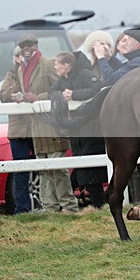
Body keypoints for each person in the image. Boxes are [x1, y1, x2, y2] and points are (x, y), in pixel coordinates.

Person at [94, 27, 140, 203]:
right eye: (120, 40)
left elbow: (114, 79)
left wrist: (102, 59)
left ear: (138, 43)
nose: (120, 43)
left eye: (126, 40)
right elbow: (123, 71)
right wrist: (110, 58)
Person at [11, 33, 78, 212]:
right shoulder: (20, 70)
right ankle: (50, 208)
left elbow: (61, 89)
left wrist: (38, 97)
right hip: (37, 127)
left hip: (53, 125)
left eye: (30, 45)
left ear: (36, 45)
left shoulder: (48, 64)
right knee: (44, 169)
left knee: (59, 169)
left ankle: (69, 207)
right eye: (23, 46)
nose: (26, 49)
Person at [50, 51, 107, 207]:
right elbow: (52, 91)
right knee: (82, 168)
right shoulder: (63, 80)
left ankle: (100, 205)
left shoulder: (85, 74)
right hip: (76, 130)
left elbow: (98, 89)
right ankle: (98, 206)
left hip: (92, 129)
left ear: (66, 66)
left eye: (57, 63)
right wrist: (60, 96)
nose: (54, 66)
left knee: (89, 170)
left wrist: (75, 94)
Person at [0, 45, 37, 214]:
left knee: (44, 168)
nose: (21, 59)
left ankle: (48, 205)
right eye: (18, 56)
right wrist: (18, 89)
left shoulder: (38, 72)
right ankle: (22, 209)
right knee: (20, 171)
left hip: (37, 127)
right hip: (18, 130)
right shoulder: (11, 75)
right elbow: (3, 95)